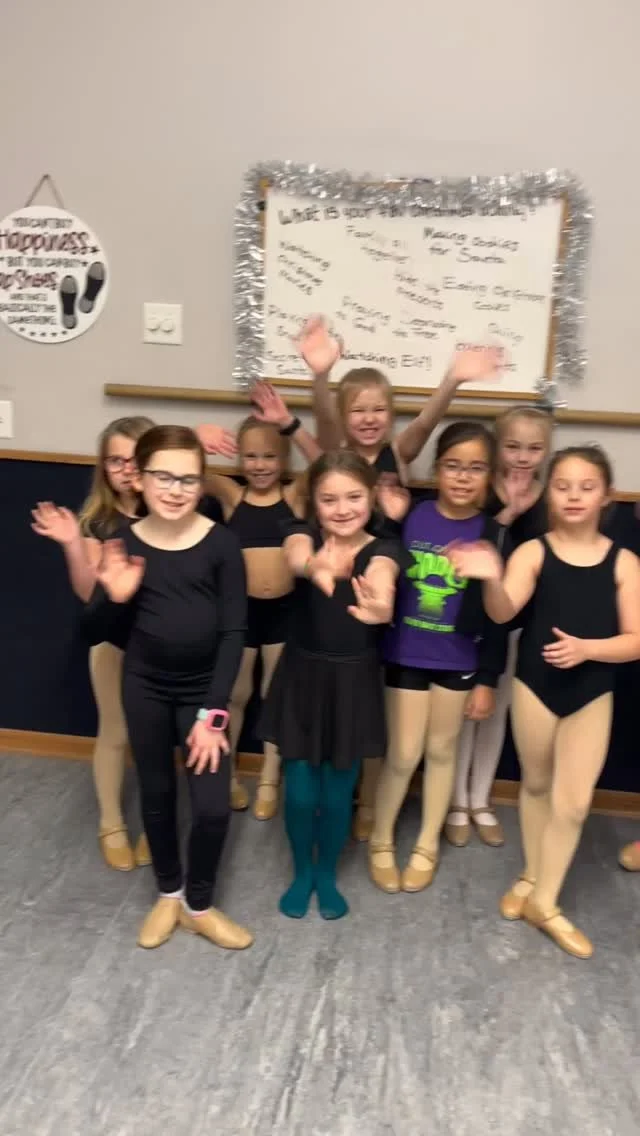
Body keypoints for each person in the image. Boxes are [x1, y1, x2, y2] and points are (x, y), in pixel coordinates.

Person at [297, 316, 504, 840]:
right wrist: (320, 376)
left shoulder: (400, 453)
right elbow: (323, 424)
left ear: (390, 415)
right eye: (357, 409)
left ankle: (370, 805)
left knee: (380, 714)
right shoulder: (339, 454)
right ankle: (347, 796)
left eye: (379, 409)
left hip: (392, 597)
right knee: (354, 700)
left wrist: (453, 379)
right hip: (340, 588)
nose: (369, 419)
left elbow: (428, 423)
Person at [448, 445, 640, 958]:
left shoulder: (624, 562)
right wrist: (490, 576)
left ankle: (545, 903)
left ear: (607, 496)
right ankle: (533, 875)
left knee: (573, 803)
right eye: (562, 486)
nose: (574, 496)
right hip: (535, 685)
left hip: (592, 690)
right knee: (535, 786)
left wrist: (587, 650)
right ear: (548, 494)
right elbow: (502, 611)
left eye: (586, 487)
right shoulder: (533, 551)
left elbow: (636, 639)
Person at [82, 425, 252, 952]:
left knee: (212, 809)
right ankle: (169, 893)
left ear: (202, 482)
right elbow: (92, 632)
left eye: (188, 479)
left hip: (204, 694)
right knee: (156, 795)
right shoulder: (125, 544)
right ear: (139, 478)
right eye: (164, 477)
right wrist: (113, 597)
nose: (176, 490)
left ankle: (198, 906)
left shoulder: (221, 544)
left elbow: (234, 633)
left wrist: (214, 714)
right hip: (146, 689)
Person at [258, 450, 402, 920]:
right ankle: (303, 871)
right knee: (300, 792)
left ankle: (326, 873)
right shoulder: (300, 533)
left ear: (372, 497)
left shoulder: (385, 548)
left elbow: (384, 574)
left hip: (352, 682)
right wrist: (314, 568)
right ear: (313, 502)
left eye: (354, 497)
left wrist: (381, 605)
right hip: (302, 677)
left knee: (338, 793)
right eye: (329, 499)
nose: (342, 509)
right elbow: (296, 555)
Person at [368, 423, 509, 893]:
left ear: (489, 475)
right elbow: (380, 560)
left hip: (458, 659)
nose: (463, 477)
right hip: (407, 653)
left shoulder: (493, 532)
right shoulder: (413, 514)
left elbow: (498, 619)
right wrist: (390, 523)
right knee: (404, 753)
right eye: (453, 466)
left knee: (442, 750)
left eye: (475, 468)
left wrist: (487, 678)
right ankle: (381, 838)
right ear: (437, 468)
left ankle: (427, 843)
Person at [31, 416, 155, 872]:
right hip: (113, 643)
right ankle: (111, 823)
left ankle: (156, 823)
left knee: (157, 736)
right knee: (116, 732)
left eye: (135, 459)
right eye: (115, 461)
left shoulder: (173, 510)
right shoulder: (100, 521)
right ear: (104, 467)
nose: (126, 469)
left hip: (162, 645)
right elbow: (88, 594)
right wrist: (71, 544)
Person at [196, 382, 319, 819]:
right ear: (239, 460)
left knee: (275, 695)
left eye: (269, 456)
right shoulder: (232, 495)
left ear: (283, 459)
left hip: (285, 612)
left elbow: (327, 465)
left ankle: (269, 777)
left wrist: (290, 426)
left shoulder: (295, 495)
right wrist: (197, 438)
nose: (260, 465)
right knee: (235, 694)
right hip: (241, 614)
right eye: (250, 456)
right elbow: (183, 468)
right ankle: (226, 774)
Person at [446, 405, 553, 848]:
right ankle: (455, 801)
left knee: (494, 712)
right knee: (462, 711)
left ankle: (479, 799)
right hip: (468, 620)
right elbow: (473, 550)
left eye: (534, 448)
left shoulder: (551, 498)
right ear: (496, 447)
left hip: (516, 625)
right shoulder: (479, 490)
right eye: (512, 446)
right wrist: (507, 512)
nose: (523, 457)